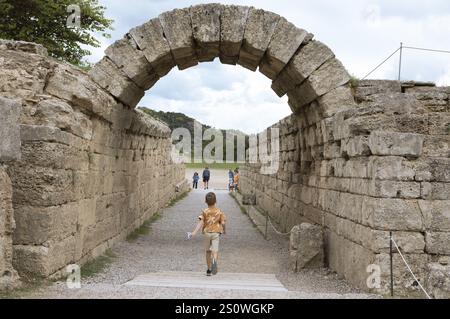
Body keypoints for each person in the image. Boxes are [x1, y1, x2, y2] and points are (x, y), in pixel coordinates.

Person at [186, 192, 226, 276]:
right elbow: (223, 223)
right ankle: (214, 260)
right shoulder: (219, 212)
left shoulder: (204, 211)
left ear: (205, 201)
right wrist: (224, 230)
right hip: (216, 233)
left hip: (207, 233)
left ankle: (208, 269)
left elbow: (201, 222)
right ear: (216, 201)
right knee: (215, 251)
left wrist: (194, 232)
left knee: (208, 251)